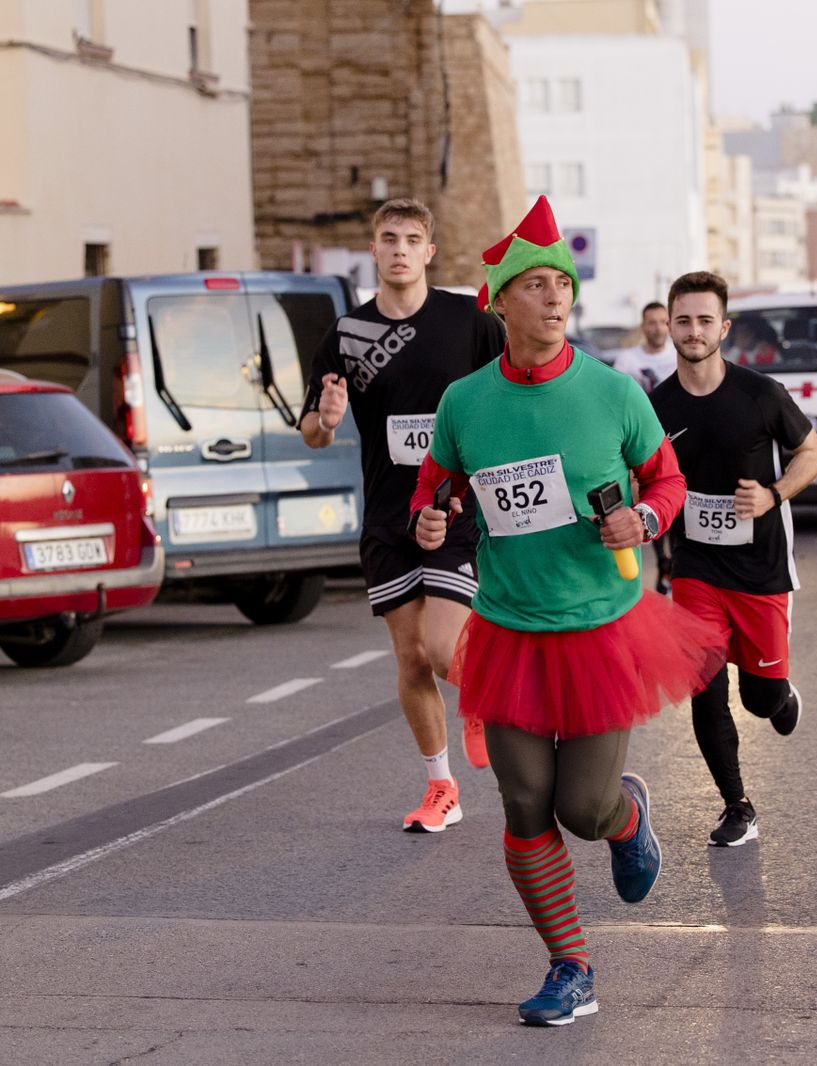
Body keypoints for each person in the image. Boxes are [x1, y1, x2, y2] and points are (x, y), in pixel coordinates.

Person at [410, 197, 722, 1027]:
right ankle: (570, 967)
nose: (555, 300)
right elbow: (433, 486)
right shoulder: (464, 403)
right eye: (537, 286)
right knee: (521, 803)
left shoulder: (613, 393)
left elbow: (668, 481)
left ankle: (625, 817)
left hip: (598, 625)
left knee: (579, 809)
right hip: (509, 627)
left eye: (563, 286)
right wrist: (430, 519)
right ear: (501, 302)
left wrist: (645, 519)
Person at [299, 197, 504, 831]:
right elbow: (311, 428)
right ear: (374, 249)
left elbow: (509, 393)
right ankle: (441, 787)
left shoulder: (469, 320)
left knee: (444, 649)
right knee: (411, 659)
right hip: (388, 516)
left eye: (411, 239)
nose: (398, 249)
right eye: (388, 238)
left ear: (428, 251)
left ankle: (482, 701)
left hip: (453, 507)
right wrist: (325, 421)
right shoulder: (347, 335)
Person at [649, 270, 817, 847]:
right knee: (703, 684)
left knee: (759, 699)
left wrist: (774, 493)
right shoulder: (657, 404)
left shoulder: (760, 394)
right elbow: (641, 472)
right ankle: (737, 807)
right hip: (696, 565)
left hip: (761, 568)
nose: (694, 330)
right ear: (670, 326)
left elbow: (814, 451)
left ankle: (779, 693)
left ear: (723, 327)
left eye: (705, 320)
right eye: (684, 320)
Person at [612, 301, 677, 593]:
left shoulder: (678, 355)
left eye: (663, 322)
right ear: (643, 326)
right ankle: (663, 562)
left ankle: (673, 564)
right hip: (639, 445)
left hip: (676, 438)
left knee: (673, 494)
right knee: (644, 499)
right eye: (652, 322)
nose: (658, 328)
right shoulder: (627, 360)